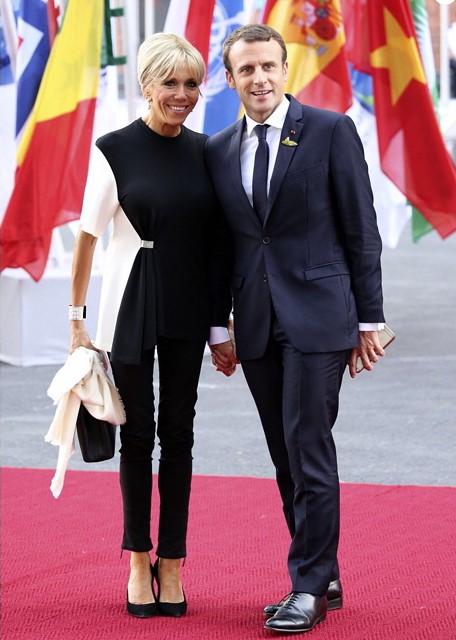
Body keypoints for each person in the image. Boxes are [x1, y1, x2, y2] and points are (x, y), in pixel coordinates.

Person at [207, 24, 385, 634]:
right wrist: (217, 326)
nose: (259, 78)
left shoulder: (331, 131)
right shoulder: (218, 149)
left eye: (268, 66)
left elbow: (361, 228)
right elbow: (221, 247)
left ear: (285, 70)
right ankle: (323, 572)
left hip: (321, 317)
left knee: (309, 447)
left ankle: (307, 587)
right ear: (230, 79)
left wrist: (370, 318)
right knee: (285, 455)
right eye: (246, 69)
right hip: (256, 324)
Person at [69, 33, 234, 619]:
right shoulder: (113, 149)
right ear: (146, 85)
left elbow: (218, 246)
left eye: (192, 83)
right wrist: (76, 321)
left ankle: (173, 561)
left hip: (188, 303)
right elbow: (87, 239)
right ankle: (138, 557)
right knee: (138, 434)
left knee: (180, 434)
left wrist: (221, 325)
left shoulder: (208, 150)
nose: (182, 94)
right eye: (170, 82)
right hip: (130, 306)